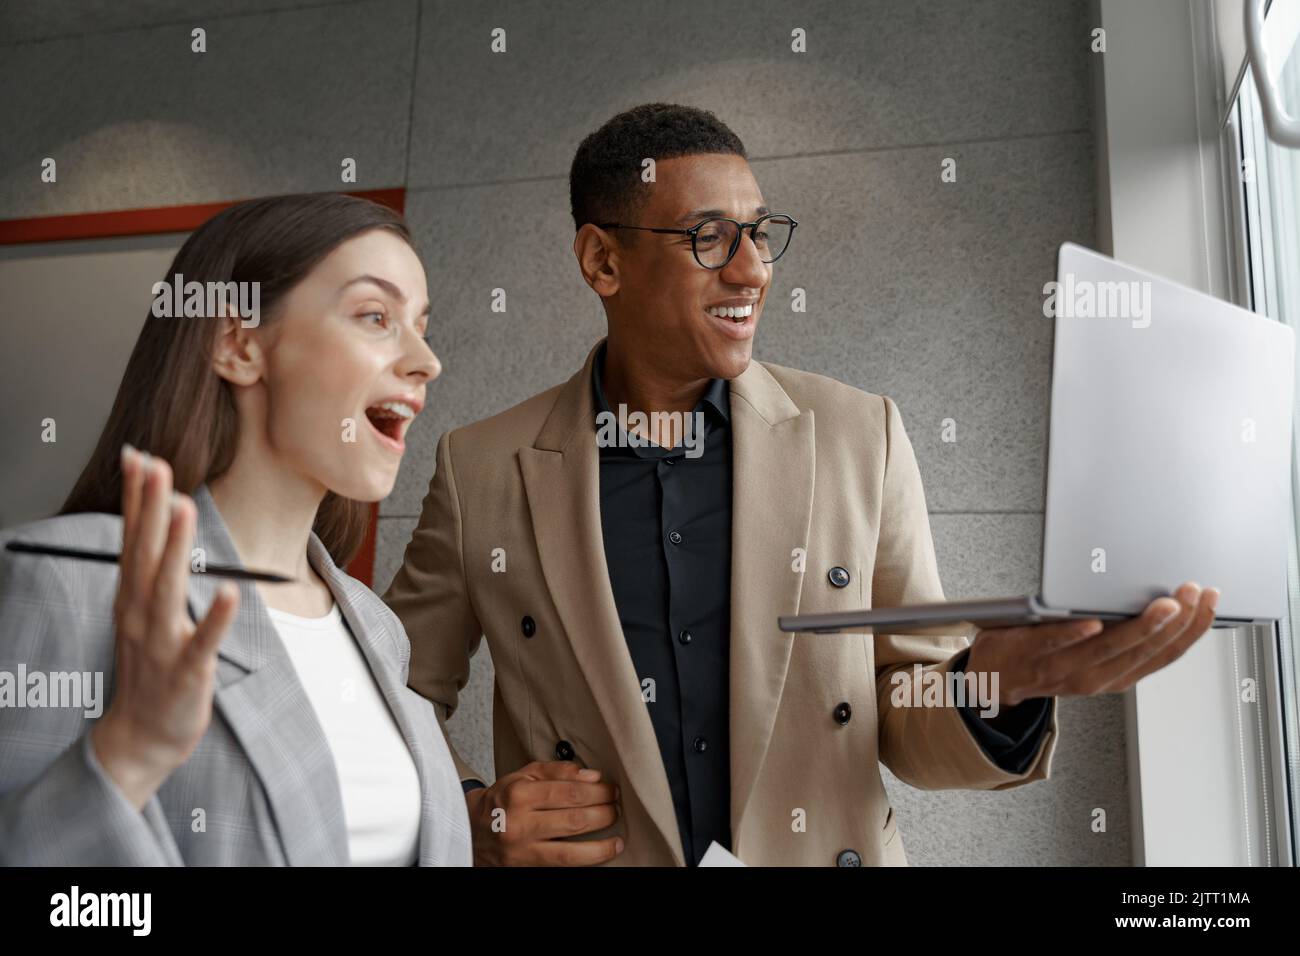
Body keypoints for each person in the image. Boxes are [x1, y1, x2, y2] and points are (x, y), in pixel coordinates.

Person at [383, 103, 1218, 867]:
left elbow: (902, 708)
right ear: (604, 260)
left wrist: (996, 681)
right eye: (710, 237)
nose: (752, 272)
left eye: (761, 232)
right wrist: (474, 815)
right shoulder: (481, 467)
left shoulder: (864, 435)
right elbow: (393, 695)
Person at [0, 193, 471, 866]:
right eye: (376, 317)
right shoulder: (71, 580)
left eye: (423, 326)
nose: (426, 361)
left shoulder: (375, 626)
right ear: (239, 343)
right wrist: (125, 757)